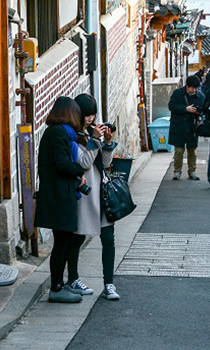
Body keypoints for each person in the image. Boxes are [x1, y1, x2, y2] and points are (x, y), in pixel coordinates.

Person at [34, 97, 89, 303]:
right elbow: (62, 164)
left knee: (64, 242)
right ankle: (56, 287)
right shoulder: (57, 134)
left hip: (60, 195)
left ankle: (60, 284)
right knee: (61, 244)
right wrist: (80, 168)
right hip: (58, 197)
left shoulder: (59, 134)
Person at [73, 94, 121, 301]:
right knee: (77, 239)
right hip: (85, 196)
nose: (91, 120)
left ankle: (109, 283)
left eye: (93, 116)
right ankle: (73, 279)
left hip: (101, 192)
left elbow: (106, 163)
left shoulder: (93, 135)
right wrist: (94, 140)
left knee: (108, 239)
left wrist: (107, 143)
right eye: (87, 116)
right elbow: (84, 163)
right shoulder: (73, 137)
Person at [169, 75, 204, 181]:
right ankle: (177, 171)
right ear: (187, 86)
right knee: (179, 150)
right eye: (192, 88)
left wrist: (199, 111)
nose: (194, 91)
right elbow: (171, 106)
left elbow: (204, 109)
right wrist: (185, 109)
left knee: (192, 150)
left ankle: (192, 171)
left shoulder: (200, 96)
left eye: (196, 88)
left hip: (192, 126)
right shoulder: (178, 93)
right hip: (179, 126)